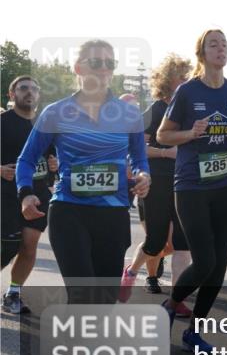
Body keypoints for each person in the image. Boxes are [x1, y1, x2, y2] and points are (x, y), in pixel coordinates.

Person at [17, 41, 151, 305]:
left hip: (113, 214)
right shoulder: (56, 112)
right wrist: (25, 194)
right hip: (69, 211)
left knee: (106, 300)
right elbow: (27, 159)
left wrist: (143, 175)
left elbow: (139, 157)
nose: (104, 69)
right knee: (83, 296)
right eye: (96, 62)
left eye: (110, 63)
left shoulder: (128, 113)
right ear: (78, 68)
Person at [157, 29, 227, 352]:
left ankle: (194, 332)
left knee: (220, 265)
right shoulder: (188, 92)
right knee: (204, 262)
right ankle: (170, 306)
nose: (221, 48)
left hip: (225, 186)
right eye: (213, 44)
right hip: (191, 186)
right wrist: (190, 133)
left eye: (224, 44)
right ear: (201, 54)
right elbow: (163, 135)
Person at [120, 54, 193, 311]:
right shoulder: (155, 111)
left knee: (183, 243)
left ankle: (177, 300)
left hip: (185, 181)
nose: (185, 81)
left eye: (187, 76)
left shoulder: (189, 111)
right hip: (157, 181)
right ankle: (131, 272)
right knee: (156, 242)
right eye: (181, 77)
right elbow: (136, 149)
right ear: (167, 80)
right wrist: (165, 153)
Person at [2, 76, 55, 314]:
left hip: (38, 193)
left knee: (29, 245)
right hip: (5, 194)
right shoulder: (3, 122)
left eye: (34, 89)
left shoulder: (45, 125)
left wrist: (55, 164)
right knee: (8, 247)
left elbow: (54, 155)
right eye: (23, 88)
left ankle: (13, 293)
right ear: (12, 94)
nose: (29, 92)